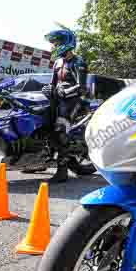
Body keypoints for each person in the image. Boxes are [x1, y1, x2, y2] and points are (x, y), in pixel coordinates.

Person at [42, 28, 90, 183]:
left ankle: (62, 171)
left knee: (60, 131)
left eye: (56, 43)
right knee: (44, 125)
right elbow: (53, 83)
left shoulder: (78, 62)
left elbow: (82, 88)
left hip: (73, 101)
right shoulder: (57, 62)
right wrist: (48, 89)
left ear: (66, 43)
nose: (53, 46)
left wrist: (65, 91)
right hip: (58, 99)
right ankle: (40, 160)